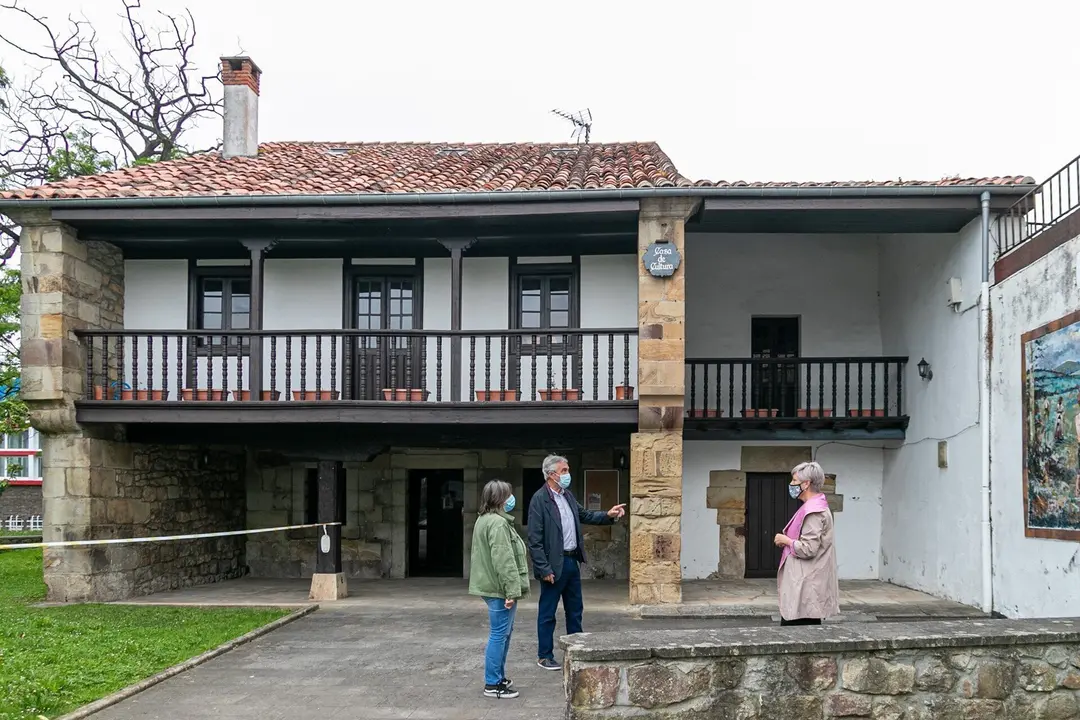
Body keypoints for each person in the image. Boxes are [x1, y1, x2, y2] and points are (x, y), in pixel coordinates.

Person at [527, 454, 626, 671]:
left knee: (575, 610)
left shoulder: (568, 496)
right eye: (564, 471)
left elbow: (586, 515)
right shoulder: (539, 500)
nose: (567, 474)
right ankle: (545, 655)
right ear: (551, 474)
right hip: (553, 565)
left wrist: (608, 515)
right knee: (547, 612)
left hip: (572, 561)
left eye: (567, 470)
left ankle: (577, 649)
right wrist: (543, 568)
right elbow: (534, 540)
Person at [469, 479, 530, 700]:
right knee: (498, 635)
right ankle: (493, 683)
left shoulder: (484, 520)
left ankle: (498, 677)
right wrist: (511, 591)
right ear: (501, 498)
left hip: (491, 585)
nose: (511, 498)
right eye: (508, 494)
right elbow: (503, 560)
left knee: (503, 633)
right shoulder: (498, 523)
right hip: (499, 588)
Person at [772, 461, 839, 626]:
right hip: (807, 584)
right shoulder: (816, 506)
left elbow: (808, 549)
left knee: (798, 634)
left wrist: (786, 540)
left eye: (794, 481)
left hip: (805, 586)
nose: (791, 485)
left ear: (806, 483)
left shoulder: (814, 511)